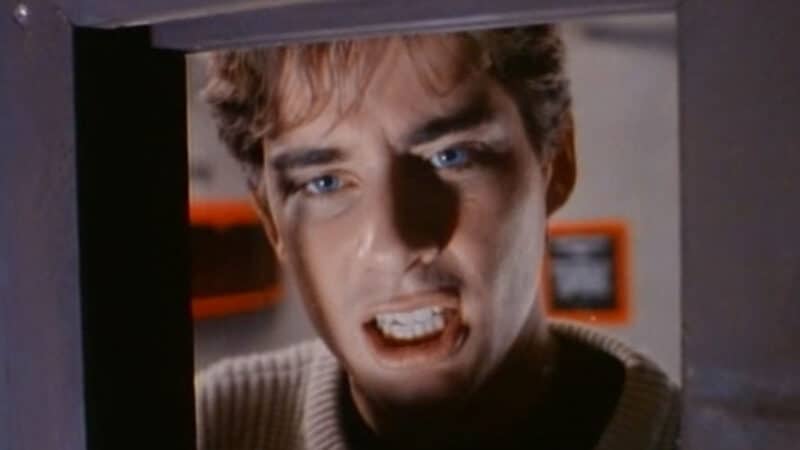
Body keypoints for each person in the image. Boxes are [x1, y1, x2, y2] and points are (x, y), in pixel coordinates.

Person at [195, 25, 679, 450]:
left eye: (452, 156)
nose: (394, 246)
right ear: (271, 221)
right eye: (324, 182)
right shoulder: (208, 428)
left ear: (556, 163)